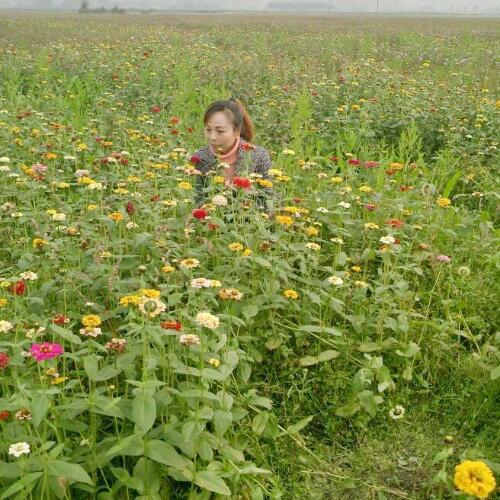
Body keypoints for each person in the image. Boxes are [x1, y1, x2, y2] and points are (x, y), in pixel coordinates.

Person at [192, 98, 274, 210]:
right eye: (208, 129)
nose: (212, 137)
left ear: (237, 130)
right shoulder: (199, 159)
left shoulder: (258, 156)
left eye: (220, 131)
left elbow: (271, 200)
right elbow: (196, 200)